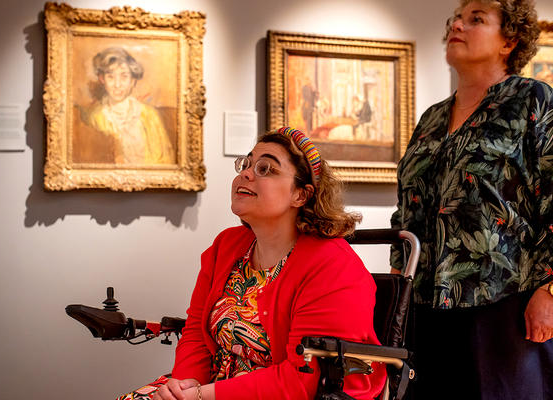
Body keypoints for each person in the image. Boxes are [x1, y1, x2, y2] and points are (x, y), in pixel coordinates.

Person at [117, 127, 386, 400]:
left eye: (266, 168)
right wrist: (186, 385)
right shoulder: (226, 246)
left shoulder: (334, 267)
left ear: (301, 195)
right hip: (211, 388)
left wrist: (200, 395)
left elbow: (302, 382)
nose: (245, 173)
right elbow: (197, 332)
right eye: (246, 164)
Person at [390, 1, 553, 399]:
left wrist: (550, 291)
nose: (457, 25)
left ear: (509, 40)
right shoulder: (431, 118)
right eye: (456, 19)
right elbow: (406, 212)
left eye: (476, 18)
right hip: (422, 309)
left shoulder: (532, 100)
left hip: (505, 306)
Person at [85, 47, 174, 165]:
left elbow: (166, 159)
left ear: (132, 80)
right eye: (110, 77)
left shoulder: (149, 115)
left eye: (124, 77)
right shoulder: (95, 117)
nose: (117, 85)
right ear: (102, 79)